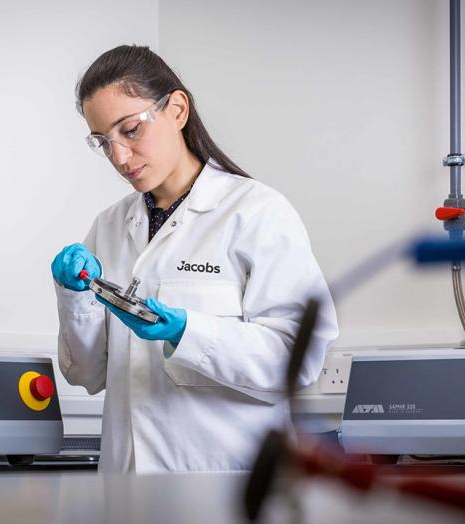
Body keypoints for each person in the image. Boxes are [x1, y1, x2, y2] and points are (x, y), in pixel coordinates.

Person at [51, 45, 338, 473]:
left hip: (223, 483)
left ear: (177, 109)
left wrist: (190, 333)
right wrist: (74, 298)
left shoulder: (255, 212)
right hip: (127, 487)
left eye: (130, 130)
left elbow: (301, 357)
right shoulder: (108, 228)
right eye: (103, 142)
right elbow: (86, 376)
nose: (119, 157)